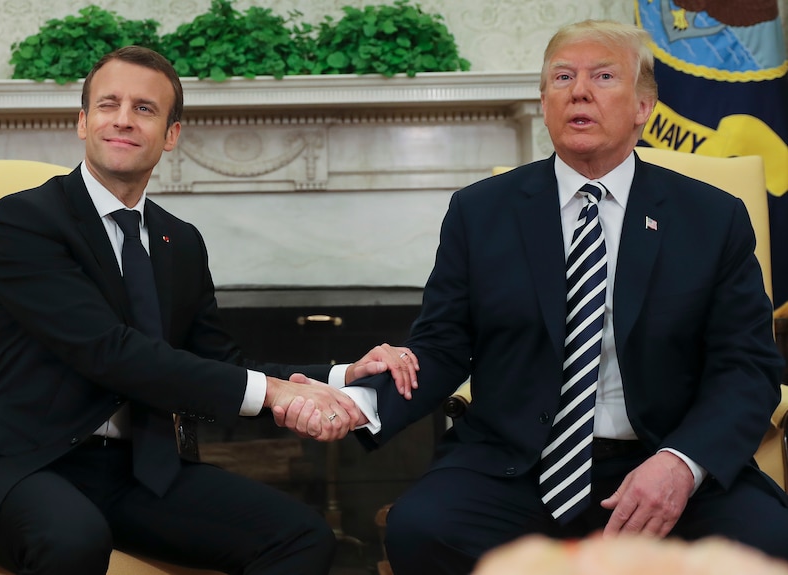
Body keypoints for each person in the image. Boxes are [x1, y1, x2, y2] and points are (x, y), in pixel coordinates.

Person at [285, 19, 788, 575]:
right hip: (517, 466)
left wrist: (681, 463)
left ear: (645, 106)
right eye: (562, 77)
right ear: (545, 103)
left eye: (603, 76)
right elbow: (444, 345)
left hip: (664, 457)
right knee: (422, 530)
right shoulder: (481, 212)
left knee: (767, 541)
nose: (579, 91)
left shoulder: (712, 219)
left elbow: (746, 367)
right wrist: (358, 404)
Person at [0, 45, 413, 575]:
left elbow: (219, 360)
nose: (122, 119)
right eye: (107, 104)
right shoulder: (25, 220)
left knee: (301, 538)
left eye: (144, 108)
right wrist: (277, 393)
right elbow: (110, 352)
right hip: (26, 466)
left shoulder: (179, 242)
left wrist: (338, 375)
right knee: (73, 538)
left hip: (137, 472)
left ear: (171, 135)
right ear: (82, 122)